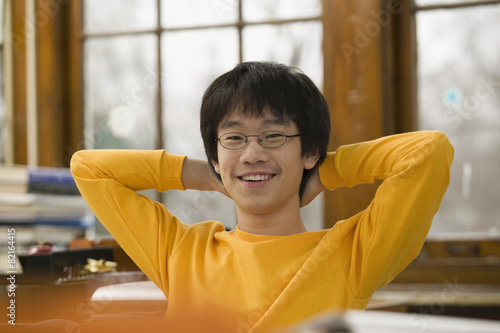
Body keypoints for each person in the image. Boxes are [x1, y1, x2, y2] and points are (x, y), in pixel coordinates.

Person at [70, 61, 454, 332]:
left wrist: (323, 172)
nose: (253, 153)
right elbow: (88, 168)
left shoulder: (352, 253)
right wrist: (211, 173)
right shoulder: (181, 251)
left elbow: (428, 153)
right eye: (234, 138)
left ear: (309, 150)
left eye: (274, 135)